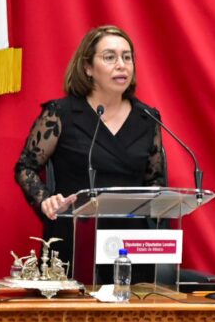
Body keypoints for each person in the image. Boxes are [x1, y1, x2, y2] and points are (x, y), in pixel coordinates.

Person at [15, 25, 164, 282]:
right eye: (110, 57)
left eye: (127, 57)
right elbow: (25, 167)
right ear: (88, 68)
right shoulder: (61, 113)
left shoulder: (147, 118)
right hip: (73, 243)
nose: (121, 65)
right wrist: (45, 200)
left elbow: (155, 182)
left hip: (129, 249)